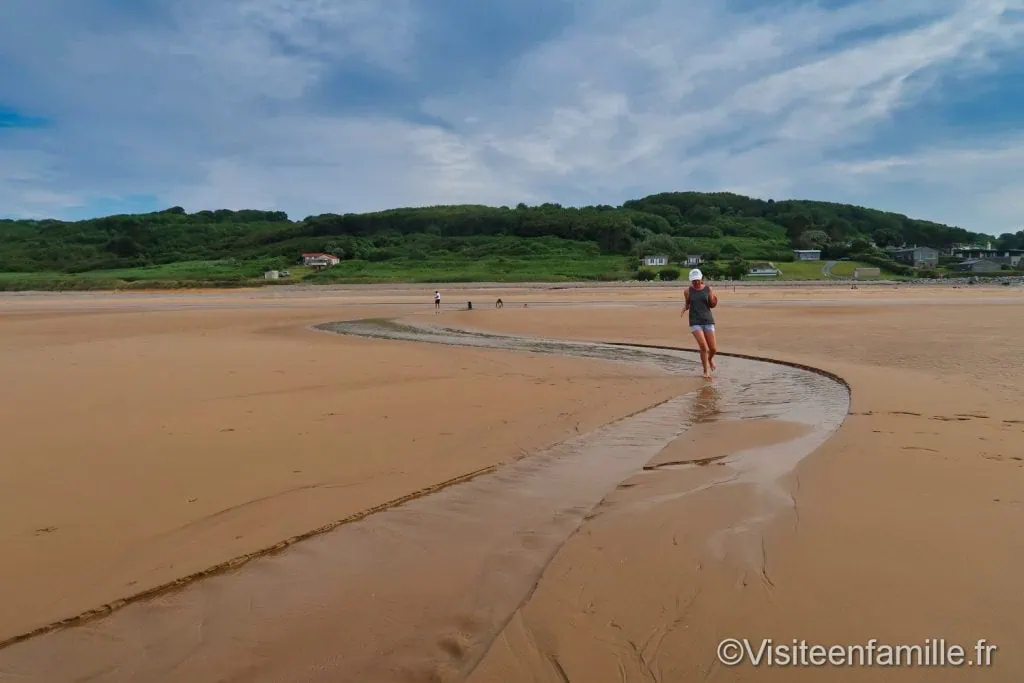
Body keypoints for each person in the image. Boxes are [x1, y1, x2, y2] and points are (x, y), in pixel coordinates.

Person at [681, 268, 718, 378]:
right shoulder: (687, 291)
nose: (696, 282)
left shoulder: (708, 289)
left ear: (701, 278)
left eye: (697, 280)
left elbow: (712, 304)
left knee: (713, 349)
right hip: (695, 321)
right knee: (703, 347)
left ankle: (710, 359)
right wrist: (684, 308)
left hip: (708, 320)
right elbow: (688, 303)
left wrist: (714, 299)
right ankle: (705, 371)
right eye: (693, 280)